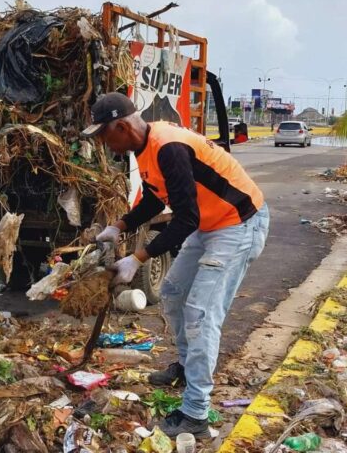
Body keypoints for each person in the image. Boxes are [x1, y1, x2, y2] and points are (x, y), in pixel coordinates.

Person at [83, 92, 270, 440]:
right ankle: (186, 367)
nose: (105, 145)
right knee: (172, 292)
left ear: (122, 127)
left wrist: (137, 259)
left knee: (200, 313)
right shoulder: (146, 148)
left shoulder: (168, 147)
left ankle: (196, 413)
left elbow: (185, 219)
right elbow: (156, 199)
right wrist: (119, 226)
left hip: (239, 224)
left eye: (104, 136)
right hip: (211, 225)